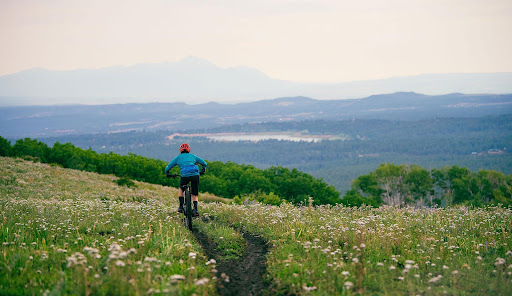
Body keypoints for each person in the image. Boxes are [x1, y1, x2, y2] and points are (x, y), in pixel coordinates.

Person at [165, 143, 207, 216]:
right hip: (195, 175)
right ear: (189, 150)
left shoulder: (178, 158)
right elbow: (204, 163)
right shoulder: (193, 156)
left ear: (180, 150)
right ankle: (196, 209)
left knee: (181, 188)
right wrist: (203, 170)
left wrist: (167, 173)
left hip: (184, 175)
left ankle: (181, 207)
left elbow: (168, 167)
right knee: (194, 193)